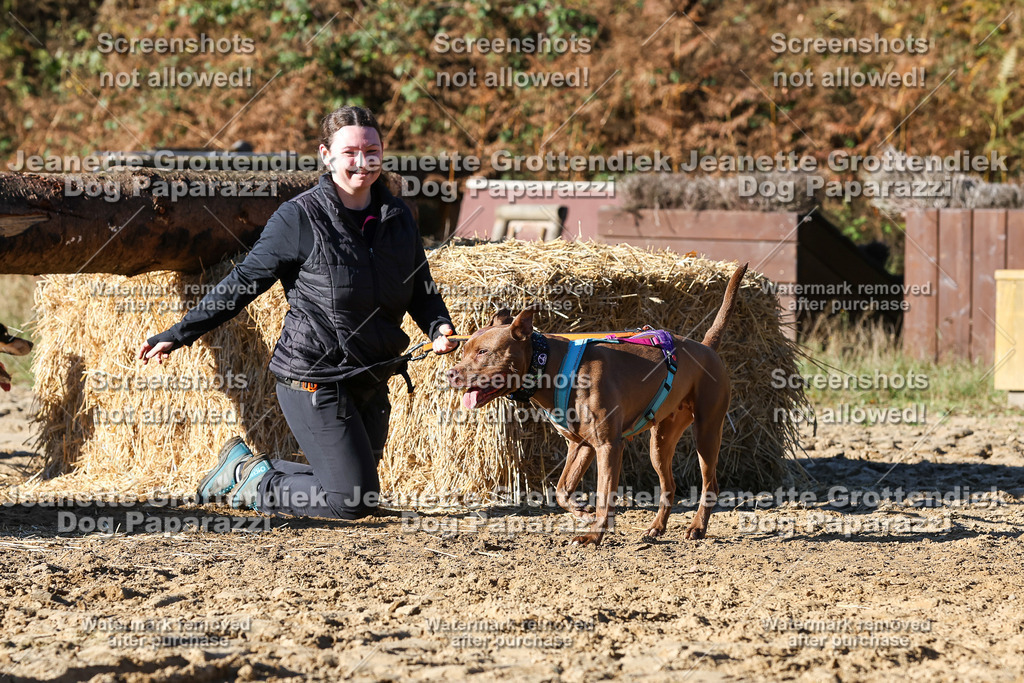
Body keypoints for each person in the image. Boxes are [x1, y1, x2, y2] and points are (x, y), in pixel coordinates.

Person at [138, 105, 458, 519]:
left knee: (353, 491)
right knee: (353, 501)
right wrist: (180, 332)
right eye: (350, 152)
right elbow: (243, 282)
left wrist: (438, 325)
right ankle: (254, 482)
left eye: (373, 150)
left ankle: (242, 467)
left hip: (371, 374)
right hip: (314, 376)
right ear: (326, 154)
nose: (363, 161)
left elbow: (421, 288)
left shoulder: (399, 218)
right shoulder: (299, 217)